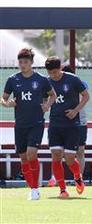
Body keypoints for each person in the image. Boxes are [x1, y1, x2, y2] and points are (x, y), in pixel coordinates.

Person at [1, 48, 55, 200]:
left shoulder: (41, 79)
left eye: (25, 62)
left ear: (31, 62)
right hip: (20, 125)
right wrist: (7, 104)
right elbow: (3, 99)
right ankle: (32, 188)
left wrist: (47, 105)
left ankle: (35, 189)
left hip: (36, 123)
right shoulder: (13, 80)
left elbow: (53, 95)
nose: (22, 65)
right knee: (23, 158)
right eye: (20, 62)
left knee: (32, 153)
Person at [45, 56, 90, 198]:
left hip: (72, 125)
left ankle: (78, 176)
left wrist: (75, 111)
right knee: (56, 156)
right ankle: (62, 190)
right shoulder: (46, 82)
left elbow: (86, 96)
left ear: (60, 68)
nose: (53, 75)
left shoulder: (73, 79)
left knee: (70, 158)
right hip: (55, 124)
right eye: (50, 73)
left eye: (55, 72)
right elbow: (42, 99)